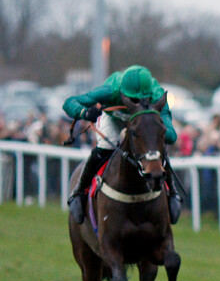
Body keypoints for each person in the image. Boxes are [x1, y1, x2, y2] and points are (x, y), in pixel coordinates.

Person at [63, 65, 182, 225]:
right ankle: (79, 192)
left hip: (143, 122)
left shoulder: (157, 94)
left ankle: (173, 192)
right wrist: (84, 113)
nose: (137, 103)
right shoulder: (110, 90)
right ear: (122, 94)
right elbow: (70, 102)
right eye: (133, 100)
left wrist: (153, 130)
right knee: (104, 148)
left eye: (142, 100)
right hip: (115, 119)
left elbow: (171, 136)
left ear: (149, 96)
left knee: (155, 148)